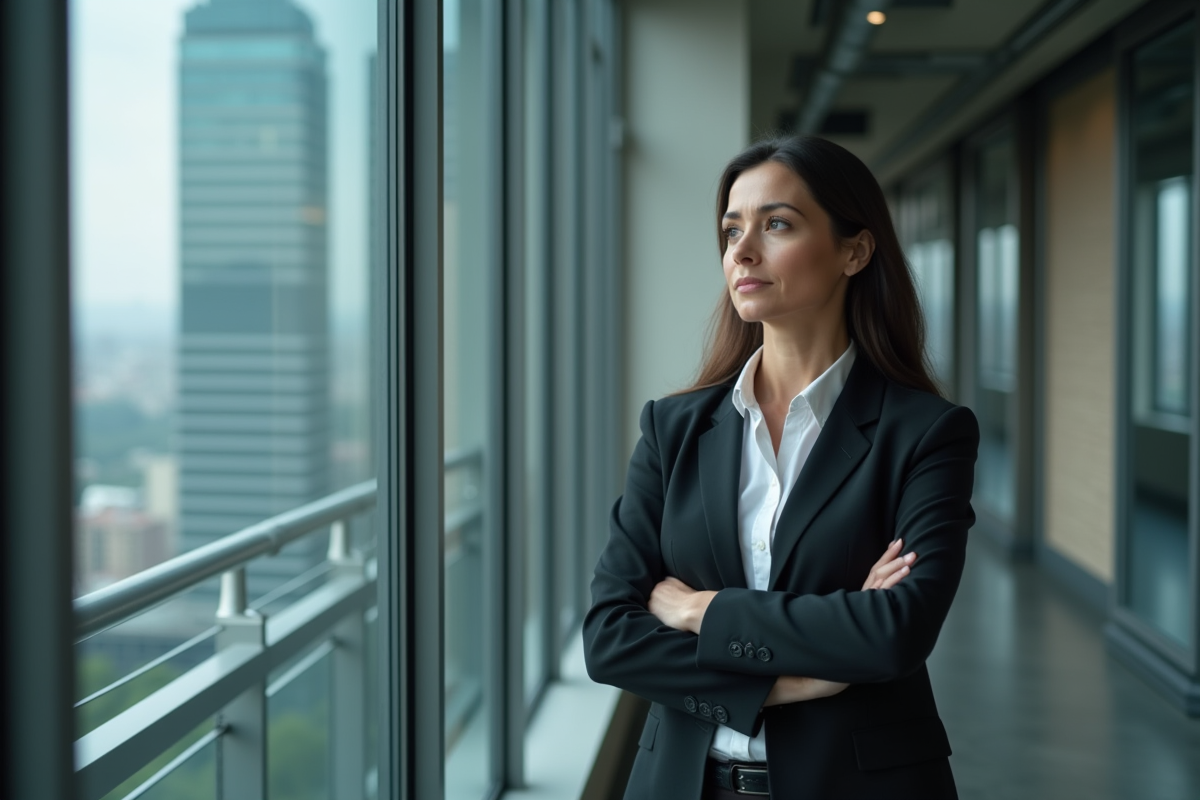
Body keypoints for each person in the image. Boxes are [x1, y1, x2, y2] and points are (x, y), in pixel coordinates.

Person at [582, 136, 979, 800]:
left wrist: (696, 609)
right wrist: (793, 677)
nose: (741, 250)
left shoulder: (926, 434)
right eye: (732, 228)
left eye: (777, 224)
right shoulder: (673, 429)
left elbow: (895, 633)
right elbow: (610, 638)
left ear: (855, 250)